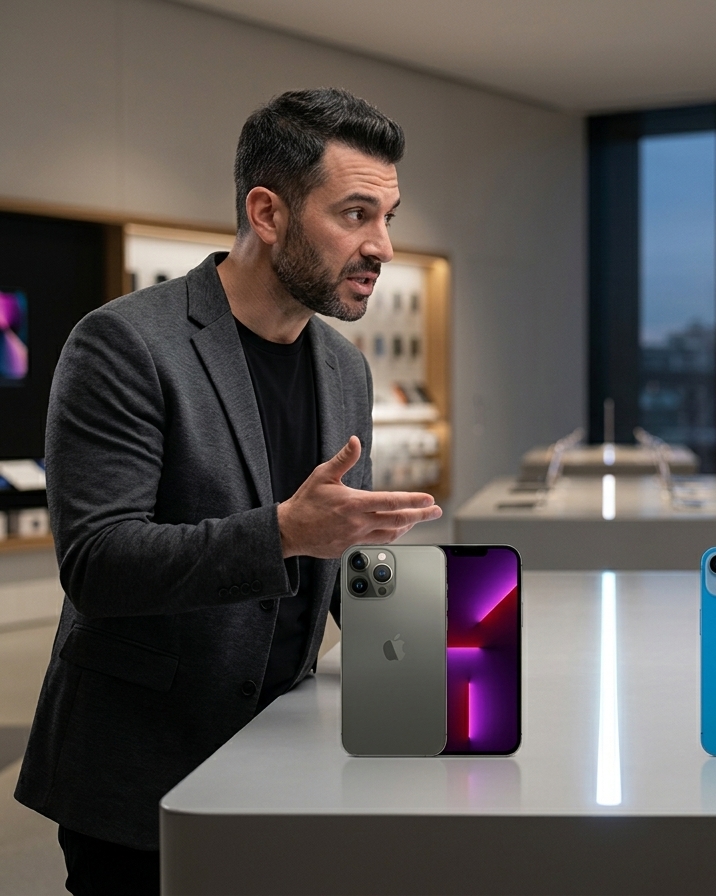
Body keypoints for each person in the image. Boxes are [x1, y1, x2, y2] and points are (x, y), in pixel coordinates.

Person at [15, 88, 442, 895]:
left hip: (286, 751)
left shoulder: (343, 366)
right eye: (355, 214)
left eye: (388, 216)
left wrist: (440, 651)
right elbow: (100, 564)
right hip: (143, 774)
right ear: (268, 212)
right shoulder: (124, 343)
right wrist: (282, 531)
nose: (382, 244)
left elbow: (341, 545)